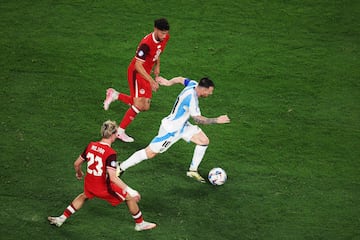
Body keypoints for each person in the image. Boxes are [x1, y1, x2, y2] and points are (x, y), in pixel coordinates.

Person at [48, 120, 156, 232]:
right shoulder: (110, 153)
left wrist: (79, 173)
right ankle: (140, 224)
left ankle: (61, 218)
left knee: (84, 195)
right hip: (103, 187)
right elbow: (113, 177)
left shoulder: (91, 145)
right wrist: (131, 190)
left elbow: (76, 164)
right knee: (129, 197)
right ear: (113, 135)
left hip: (90, 183)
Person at [118, 76, 230, 183]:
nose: (210, 94)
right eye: (209, 91)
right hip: (170, 130)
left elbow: (181, 79)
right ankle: (121, 167)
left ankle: (192, 171)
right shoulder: (191, 98)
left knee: (203, 141)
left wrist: (168, 82)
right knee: (150, 153)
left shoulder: (193, 84)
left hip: (182, 126)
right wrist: (217, 120)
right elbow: (198, 119)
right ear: (204, 89)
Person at [103, 18, 170, 143]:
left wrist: (157, 66)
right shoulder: (146, 44)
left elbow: (158, 51)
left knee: (145, 106)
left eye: (166, 33)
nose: (164, 36)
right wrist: (151, 81)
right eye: (162, 33)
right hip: (137, 73)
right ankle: (120, 132)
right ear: (155, 29)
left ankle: (115, 95)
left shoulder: (164, 37)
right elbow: (138, 65)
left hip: (146, 72)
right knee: (139, 104)